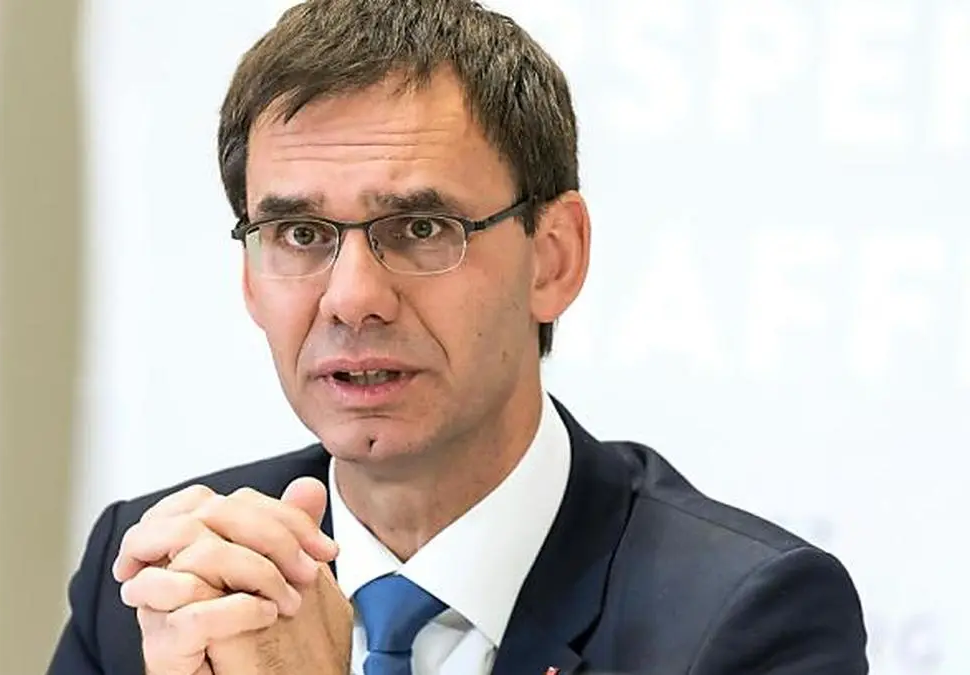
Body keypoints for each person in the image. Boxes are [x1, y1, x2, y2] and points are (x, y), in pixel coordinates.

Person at [48, 1, 869, 673]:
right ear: (250, 278)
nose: (352, 299)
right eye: (300, 234)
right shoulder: (164, 580)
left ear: (554, 258)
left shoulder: (745, 620)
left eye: (420, 227)